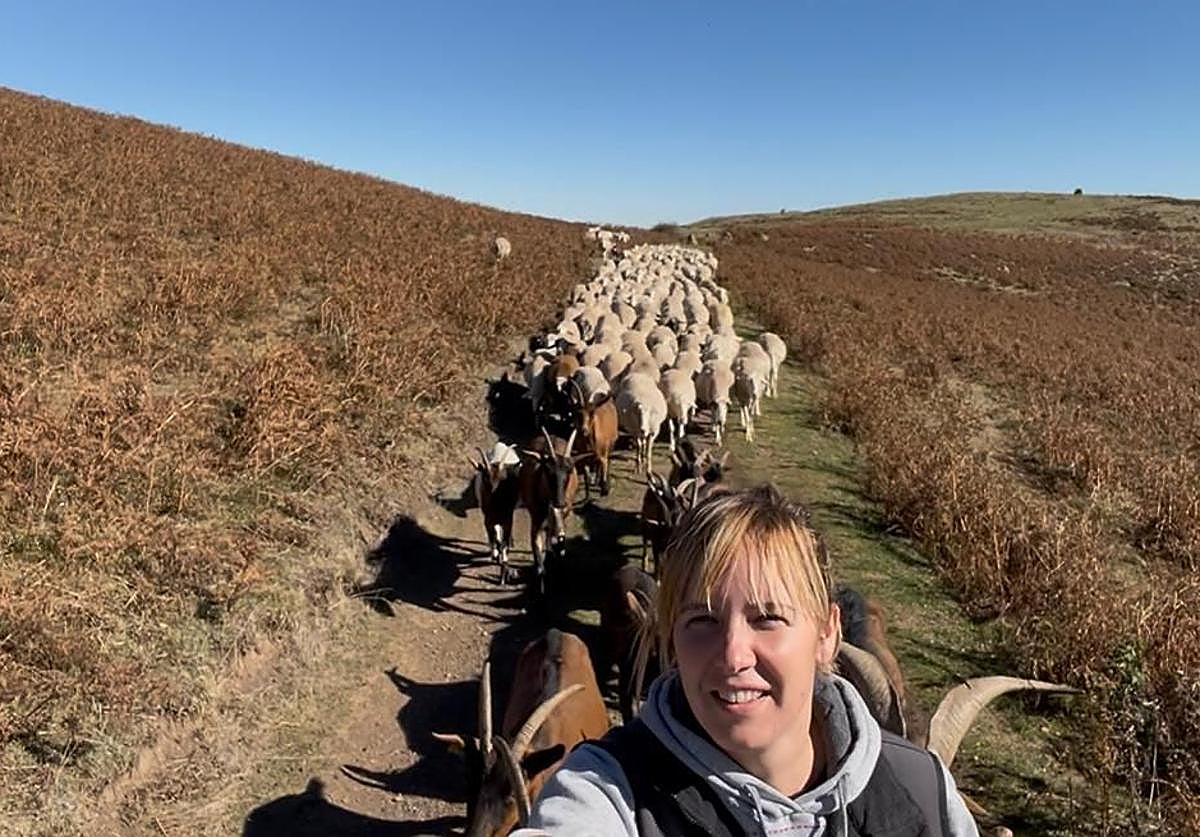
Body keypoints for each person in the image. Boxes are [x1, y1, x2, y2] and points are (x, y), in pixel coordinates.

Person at [516, 484, 978, 836]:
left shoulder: (921, 791)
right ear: (671, 637)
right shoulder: (607, 792)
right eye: (701, 620)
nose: (733, 655)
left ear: (827, 634)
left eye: (768, 618)